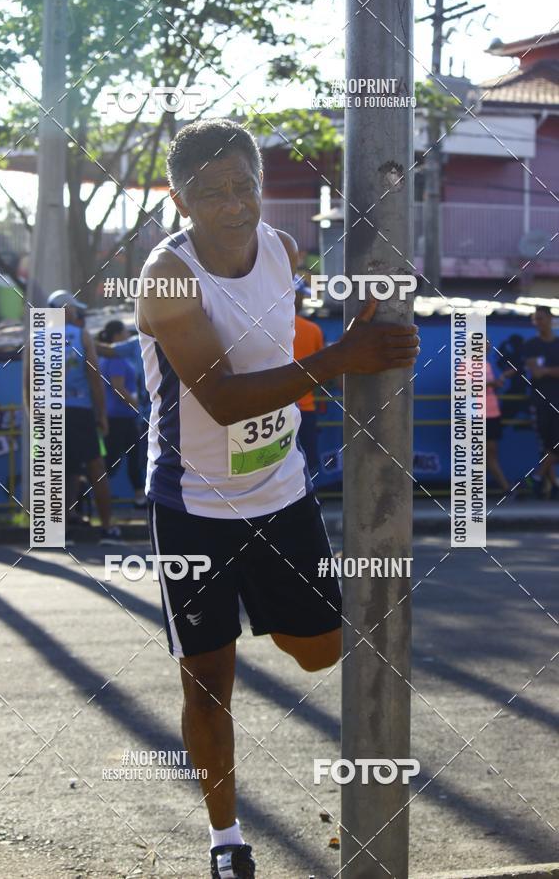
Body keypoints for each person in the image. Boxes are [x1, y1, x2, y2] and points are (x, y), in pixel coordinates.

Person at [136, 118, 419, 878]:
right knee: (207, 683)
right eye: (211, 191)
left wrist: (338, 338)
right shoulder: (168, 275)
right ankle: (226, 838)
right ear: (180, 198)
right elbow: (222, 399)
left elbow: (276, 338)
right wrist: (338, 359)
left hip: (281, 494)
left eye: (244, 186)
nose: (233, 204)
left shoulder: (284, 250)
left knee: (320, 652)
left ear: (262, 187)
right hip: (194, 505)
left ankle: (269, 613)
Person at [24, 291, 122, 544]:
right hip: (79, 411)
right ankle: (108, 528)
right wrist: (102, 415)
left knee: (58, 471)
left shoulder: (35, 337)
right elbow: (95, 380)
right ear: (64, 309)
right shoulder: (80, 335)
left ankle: (58, 531)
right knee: (95, 467)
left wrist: (33, 417)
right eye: (74, 309)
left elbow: (28, 384)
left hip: (47, 412)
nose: (77, 313)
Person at [98, 319, 146, 507]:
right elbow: (118, 388)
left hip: (122, 416)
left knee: (132, 459)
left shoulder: (110, 358)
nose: (129, 336)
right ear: (117, 336)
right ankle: (92, 493)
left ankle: (139, 497)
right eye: (125, 332)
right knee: (112, 461)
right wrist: (137, 406)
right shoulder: (116, 358)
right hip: (120, 416)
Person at [524, 305, 559, 499]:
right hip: (541, 401)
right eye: (535, 319)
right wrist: (550, 371)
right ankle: (552, 485)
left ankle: (537, 477)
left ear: (550, 319)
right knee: (547, 444)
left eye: (541, 318)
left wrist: (547, 370)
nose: (538, 322)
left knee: (554, 444)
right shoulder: (532, 345)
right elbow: (536, 371)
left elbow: (542, 370)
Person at [292, 275, 324, 477]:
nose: (302, 300)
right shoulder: (312, 330)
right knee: (307, 469)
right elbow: (323, 372)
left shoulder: (258, 325)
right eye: (301, 295)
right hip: (304, 410)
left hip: (269, 412)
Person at [485, 341, 511, 495]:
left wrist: (501, 378)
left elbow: (489, 386)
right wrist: (493, 383)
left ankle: (505, 488)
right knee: (482, 453)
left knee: (491, 452)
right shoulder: (465, 364)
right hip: (476, 415)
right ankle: (506, 488)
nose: (488, 347)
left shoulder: (486, 364)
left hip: (492, 413)